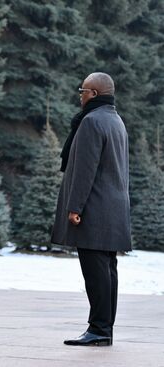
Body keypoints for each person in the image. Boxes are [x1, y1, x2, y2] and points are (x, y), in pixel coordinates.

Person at [52, 72, 131, 346]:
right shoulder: (116, 120)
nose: (80, 95)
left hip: (94, 207)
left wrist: (75, 207)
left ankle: (98, 330)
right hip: (113, 206)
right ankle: (104, 329)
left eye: (82, 91)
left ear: (93, 94)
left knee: (96, 273)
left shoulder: (92, 121)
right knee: (108, 271)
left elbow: (85, 170)